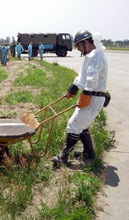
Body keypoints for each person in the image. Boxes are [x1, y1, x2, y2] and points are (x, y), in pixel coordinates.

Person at [52, 30, 108, 166]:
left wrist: (86, 93)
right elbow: (83, 76)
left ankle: (63, 156)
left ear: (86, 42)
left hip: (93, 97)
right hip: (90, 95)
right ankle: (89, 153)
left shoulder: (97, 56)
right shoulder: (90, 56)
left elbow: (92, 78)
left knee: (74, 125)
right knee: (82, 125)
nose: (77, 49)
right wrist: (74, 86)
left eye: (78, 46)